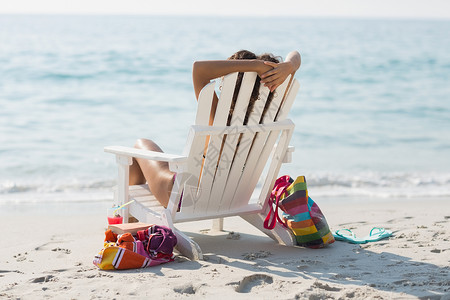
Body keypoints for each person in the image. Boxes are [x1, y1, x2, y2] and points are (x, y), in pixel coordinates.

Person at [129, 50, 301, 208]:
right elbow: (296, 55)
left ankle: (127, 217)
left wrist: (254, 66)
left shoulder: (220, 117)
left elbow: (198, 69)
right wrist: (289, 66)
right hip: (234, 197)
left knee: (140, 145)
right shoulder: (270, 117)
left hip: (183, 197)